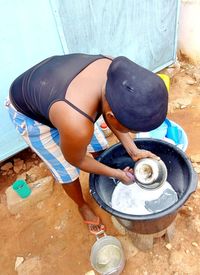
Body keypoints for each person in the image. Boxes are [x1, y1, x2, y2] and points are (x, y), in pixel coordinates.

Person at [7, 54, 168, 234]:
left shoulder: (117, 73)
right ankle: (81, 205)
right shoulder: (77, 123)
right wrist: (117, 174)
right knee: (66, 170)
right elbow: (77, 160)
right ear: (111, 117)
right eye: (128, 128)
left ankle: (106, 174)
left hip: (56, 91)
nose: (128, 133)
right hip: (31, 115)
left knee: (99, 146)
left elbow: (110, 117)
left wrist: (133, 150)